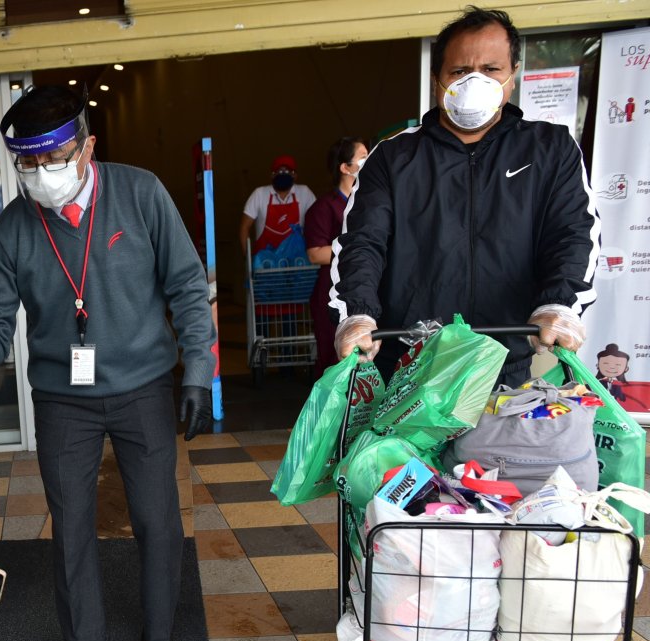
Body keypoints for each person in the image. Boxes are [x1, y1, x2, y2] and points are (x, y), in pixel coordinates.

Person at [0, 85, 215, 641]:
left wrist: (199, 370)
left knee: (157, 518)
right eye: (27, 164)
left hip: (143, 387)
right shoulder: (12, 228)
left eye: (53, 159)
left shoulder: (140, 193)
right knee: (72, 532)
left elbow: (188, 285)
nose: (40, 174)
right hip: (64, 401)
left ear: (88, 147)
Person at [330, 6, 600, 384]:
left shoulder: (549, 150)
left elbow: (573, 233)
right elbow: (362, 242)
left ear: (513, 75)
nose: (476, 81)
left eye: (491, 70)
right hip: (406, 369)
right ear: (437, 78)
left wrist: (560, 303)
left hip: (507, 364)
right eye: (459, 71)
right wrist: (356, 314)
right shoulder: (394, 157)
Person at [304, 137, 369, 373]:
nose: (368, 159)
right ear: (345, 167)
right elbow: (315, 254)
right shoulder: (323, 208)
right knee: (333, 359)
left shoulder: (368, 202)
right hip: (332, 292)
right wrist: (357, 248)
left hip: (364, 291)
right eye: (363, 156)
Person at [239, 154, 317, 263]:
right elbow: (244, 228)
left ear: (295, 175)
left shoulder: (305, 193)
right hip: (265, 264)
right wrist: (248, 260)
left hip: (297, 263)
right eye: (279, 171)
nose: (283, 174)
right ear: (272, 175)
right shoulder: (259, 194)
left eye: (287, 171)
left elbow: (318, 224)